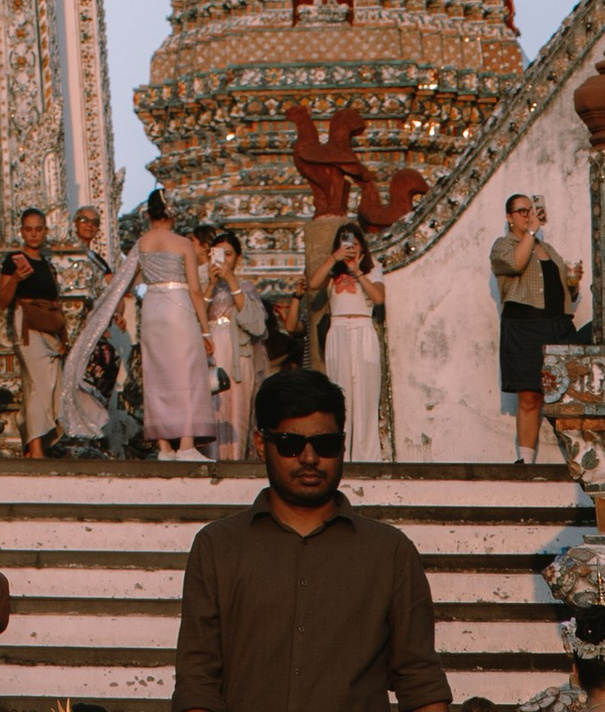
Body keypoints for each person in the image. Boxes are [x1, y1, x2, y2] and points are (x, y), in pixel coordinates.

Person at [170, 367, 452, 712]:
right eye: (290, 444)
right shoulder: (218, 548)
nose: (309, 458)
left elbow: (420, 680)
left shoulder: (389, 553)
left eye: (325, 444)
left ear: (343, 445)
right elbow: (198, 681)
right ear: (261, 444)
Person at [490, 191, 585, 471]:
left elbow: (563, 291)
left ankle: (581, 461)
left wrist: (574, 283)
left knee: (567, 395)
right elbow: (516, 264)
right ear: (509, 217)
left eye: (530, 209)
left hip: (557, 326)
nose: (527, 214)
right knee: (530, 396)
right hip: (524, 327)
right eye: (521, 211)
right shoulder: (503, 246)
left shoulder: (548, 248)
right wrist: (531, 231)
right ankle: (526, 461)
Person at [136, 189, 218, 461]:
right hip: (177, 307)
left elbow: (134, 281)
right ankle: (185, 444)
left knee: (157, 375)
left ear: (149, 213)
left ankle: (164, 448)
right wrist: (205, 329)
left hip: (151, 309)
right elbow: (195, 289)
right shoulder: (182, 243)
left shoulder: (142, 243)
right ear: (171, 213)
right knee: (188, 372)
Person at [0, 206, 71, 458]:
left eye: (38, 229)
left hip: (49, 330)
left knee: (48, 386)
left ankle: (33, 445)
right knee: (39, 384)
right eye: (28, 229)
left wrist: (63, 337)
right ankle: (36, 447)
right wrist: (16, 279)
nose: (34, 234)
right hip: (26, 326)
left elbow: (55, 303)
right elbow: (3, 300)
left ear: (45, 231)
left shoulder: (48, 266)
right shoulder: (14, 260)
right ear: (22, 231)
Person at [314, 221, 389, 466]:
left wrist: (357, 271)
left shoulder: (372, 268)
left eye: (355, 244)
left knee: (366, 394)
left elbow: (378, 298)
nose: (350, 249)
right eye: (346, 244)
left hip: (363, 330)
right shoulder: (332, 272)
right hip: (338, 331)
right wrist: (334, 259)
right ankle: (340, 453)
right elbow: (314, 283)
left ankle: (367, 456)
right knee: (340, 392)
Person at [202, 229, 268, 472]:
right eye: (218, 254)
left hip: (238, 359)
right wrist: (210, 284)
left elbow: (255, 323)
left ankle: (237, 466)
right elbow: (197, 316)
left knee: (237, 411)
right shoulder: (205, 287)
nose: (223, 260)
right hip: (211, 356)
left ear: (237, 258)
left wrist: (231, 280)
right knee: (212, 411)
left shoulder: (246, 288)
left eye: (228, 255)